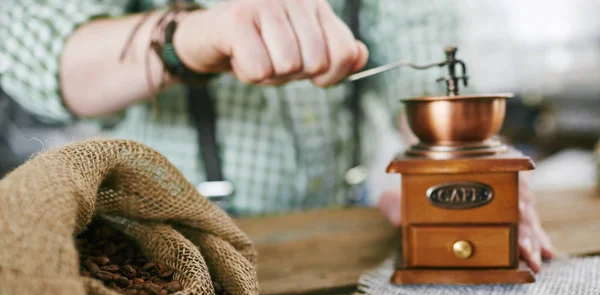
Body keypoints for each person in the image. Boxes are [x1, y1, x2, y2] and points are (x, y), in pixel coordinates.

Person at [0, 0, 553, 270]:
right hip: (167, 250)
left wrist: (463, 169)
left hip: (341, 231)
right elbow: (39, 58)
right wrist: (187, 38)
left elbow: (425, 35)